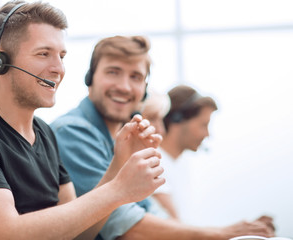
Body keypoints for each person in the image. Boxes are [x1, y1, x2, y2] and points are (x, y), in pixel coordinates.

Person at [0, 2, 165, 239]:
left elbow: (78, 234)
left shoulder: (45, 134)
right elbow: (6, 234)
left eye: (61, 56)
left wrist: (119, 164)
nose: (59, 68)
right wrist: (118, 190)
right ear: (0, 59)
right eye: (44, 54)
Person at [51, 35, 276, 239]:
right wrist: (219, 234)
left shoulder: (123, 137)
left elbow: (150, 209)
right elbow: (122, 223)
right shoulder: (73, 132)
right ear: (90, 77)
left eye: (136, 77)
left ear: (145, 90)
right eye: (113, 72)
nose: (124, 86)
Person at [140, 85, 276, 238]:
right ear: (177, 120)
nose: (207, 134)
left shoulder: (180, 165)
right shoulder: (154, 163)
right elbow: (177, 229)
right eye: (203, 125)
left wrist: (245, 231)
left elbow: (186, 228)